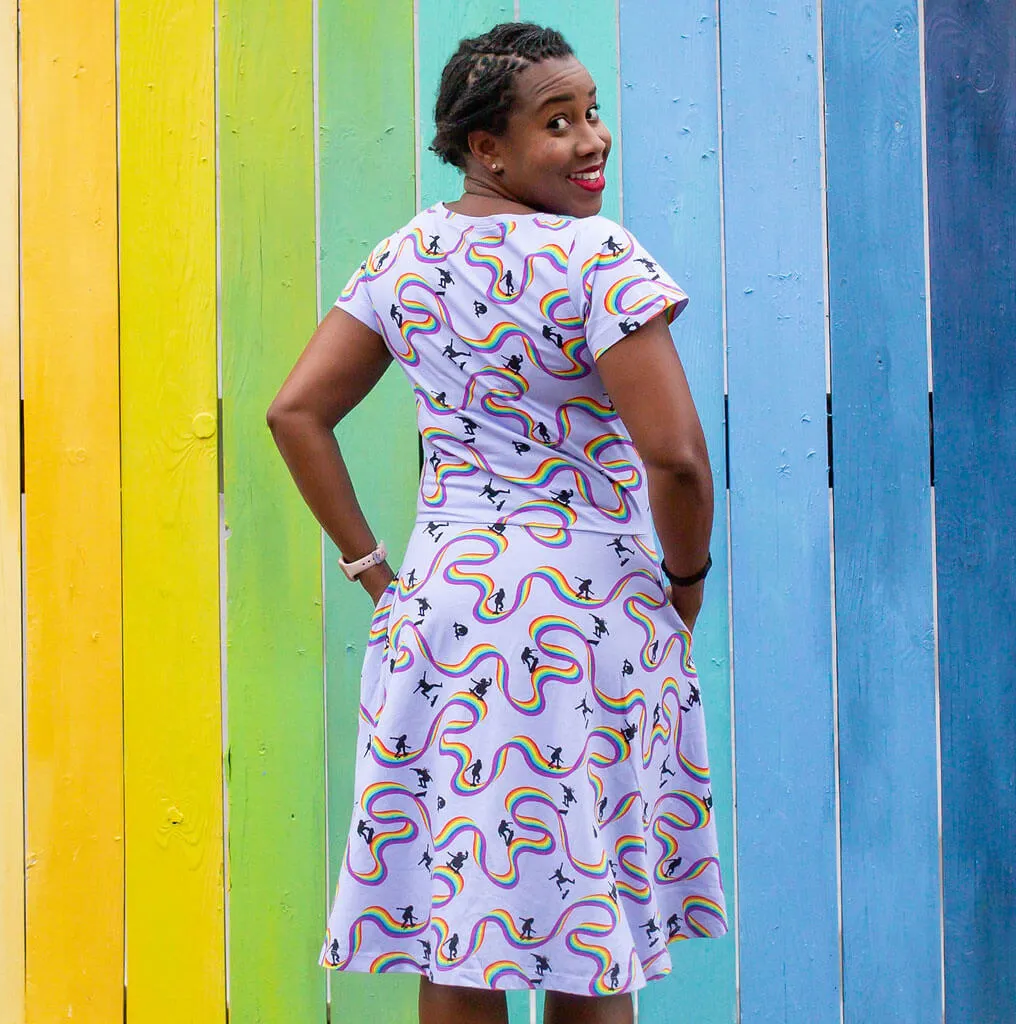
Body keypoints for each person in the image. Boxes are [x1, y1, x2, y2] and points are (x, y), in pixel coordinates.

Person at [267, 21, 727, 1024]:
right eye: (556, 122)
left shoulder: (406, 255)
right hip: (587, 620)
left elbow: (294, 410)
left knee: (461, 922)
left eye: (592, 112)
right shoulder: (596, 257)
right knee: (587, 928)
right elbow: (678, 460)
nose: (591, 138)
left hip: (447, 619)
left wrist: (375, 570)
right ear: (488, 149)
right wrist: (683, 585)